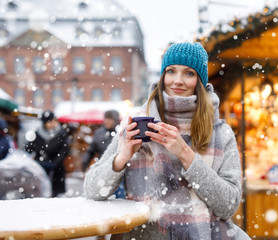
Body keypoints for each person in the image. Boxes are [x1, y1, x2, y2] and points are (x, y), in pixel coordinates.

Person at [84, 42, 251, 240]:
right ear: (163, 76)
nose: (177, 81)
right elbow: (92, 190)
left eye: (189, 73)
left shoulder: (220, 133)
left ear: (200, 80)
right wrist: (122, 157)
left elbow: (228, 206)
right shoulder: (136, 124)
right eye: (171, 71)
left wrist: (185, 154)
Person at [25, 110, 70, 197]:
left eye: (54, 120)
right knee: (41, 193)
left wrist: (54, 163)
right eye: (51, 121)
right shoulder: (37, 134)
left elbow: (64, 151)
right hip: (40, 167)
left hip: (57, 168)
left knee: (57, 194)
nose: (54, 123)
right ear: (45, 123)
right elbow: (28, 149)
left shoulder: (61, 134)